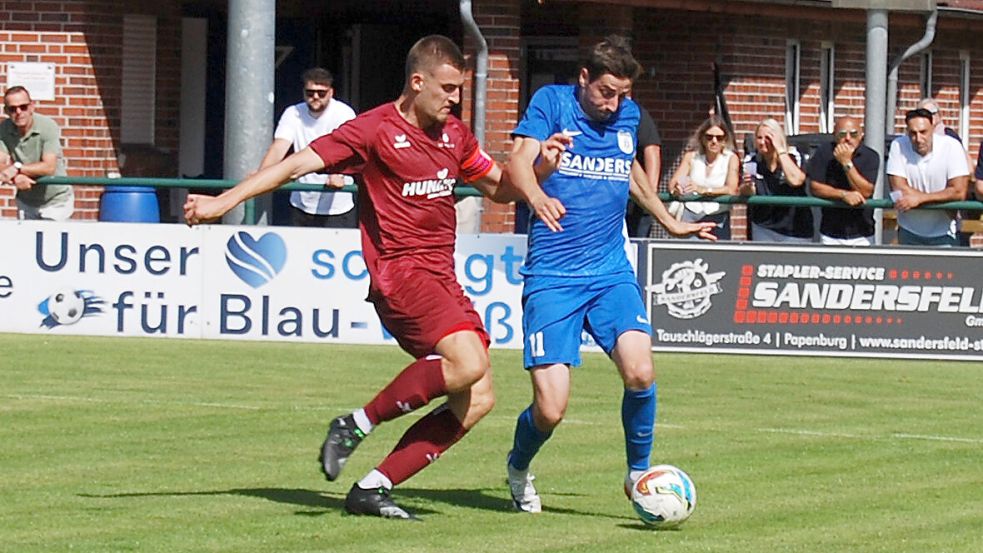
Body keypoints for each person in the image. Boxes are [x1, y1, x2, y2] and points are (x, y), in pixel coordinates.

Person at [185, 35, 563, 520]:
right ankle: (356, 423)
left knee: (478, 399)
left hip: (441, 276)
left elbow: (501, 189)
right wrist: (223, 202)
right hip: (400, 274)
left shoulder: (454, 135)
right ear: (417, 81)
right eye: (447, 88)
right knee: (468, 363)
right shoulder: (372, 130)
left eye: (459, 89)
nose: (454, 99)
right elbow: (295, 165)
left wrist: (542, 170)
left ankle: (373, 487)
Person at [501, 35, 715, 514]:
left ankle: (638, 474)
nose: (614, 104)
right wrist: (537, 194)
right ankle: (518, 466)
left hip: (609, 273)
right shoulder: (551, 103)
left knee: (641, 371)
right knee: (551, 409)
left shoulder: (628, 116)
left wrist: (669, 221)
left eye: (622, 94)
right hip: (553, 277)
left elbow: (631, 172)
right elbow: (517, 162)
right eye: (605, 92)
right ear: (584, 78)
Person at [257, 68, 357, 227]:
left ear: (331, 93)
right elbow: (279, 147)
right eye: (310, 93)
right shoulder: (292, 113)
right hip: (301, 205)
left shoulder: (344, 113)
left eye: (321, 93)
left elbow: (348, 149)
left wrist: (338, 175)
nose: (315, 97)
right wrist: (261, 175)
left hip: (337, 208)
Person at [886, 108, 969, 247]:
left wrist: (919, 199)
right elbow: (899, 189)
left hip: (945, 233)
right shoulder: (898, 145)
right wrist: (941, 196)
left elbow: (958, 191)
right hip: (908, 231)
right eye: (913, 133)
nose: (918, 139)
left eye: (923, 132)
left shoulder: (952, 146)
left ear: (933, 128)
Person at [805, 116, 880, 246]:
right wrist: (843, 195)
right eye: (842, 134)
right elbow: (815, 187)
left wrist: (846, 162)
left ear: (861, 135)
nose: (848, 138)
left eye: (854, 134)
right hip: (830, 232)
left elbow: (866, 191)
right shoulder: (823, 153)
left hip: (863, 233)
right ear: (834, 136)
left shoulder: (870, 156)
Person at [0, 86, 71, 220]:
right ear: (6, 111)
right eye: (12, 109)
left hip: (56, 200)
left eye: (23, 107)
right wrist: (16, 178)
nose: (19, 112)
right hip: (26, 201)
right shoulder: (3, 129)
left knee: (50, 234)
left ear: (32, 106)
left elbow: (49, 167)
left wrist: (16, 169)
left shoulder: (47, 126)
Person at [739, 118, 812, 243]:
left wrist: (780, 150)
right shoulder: (751, 159)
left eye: (768, 138)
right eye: (759, 138)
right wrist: (747, 187)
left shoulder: (794, 155)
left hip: (795, 229)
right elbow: (746, 191)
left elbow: (796, 181)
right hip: (763, 227)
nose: (762, 142)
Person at [667, 115, 739, 240]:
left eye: (719, 138)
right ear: (702, 138)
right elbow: (674, 183)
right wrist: (678, 188)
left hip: (717, 216)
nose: (714, 141)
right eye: (709, 137)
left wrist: (703, 190)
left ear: (725, 139)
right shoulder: (691, 156)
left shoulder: (731, 158)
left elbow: (731, 189)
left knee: (717, 252)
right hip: (690, 214)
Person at [625, 107, 662, 238]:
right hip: (609, 202)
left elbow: (652, 149)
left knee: (638, 244)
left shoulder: (636, 113)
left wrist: (650, 193)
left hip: (637, 204)